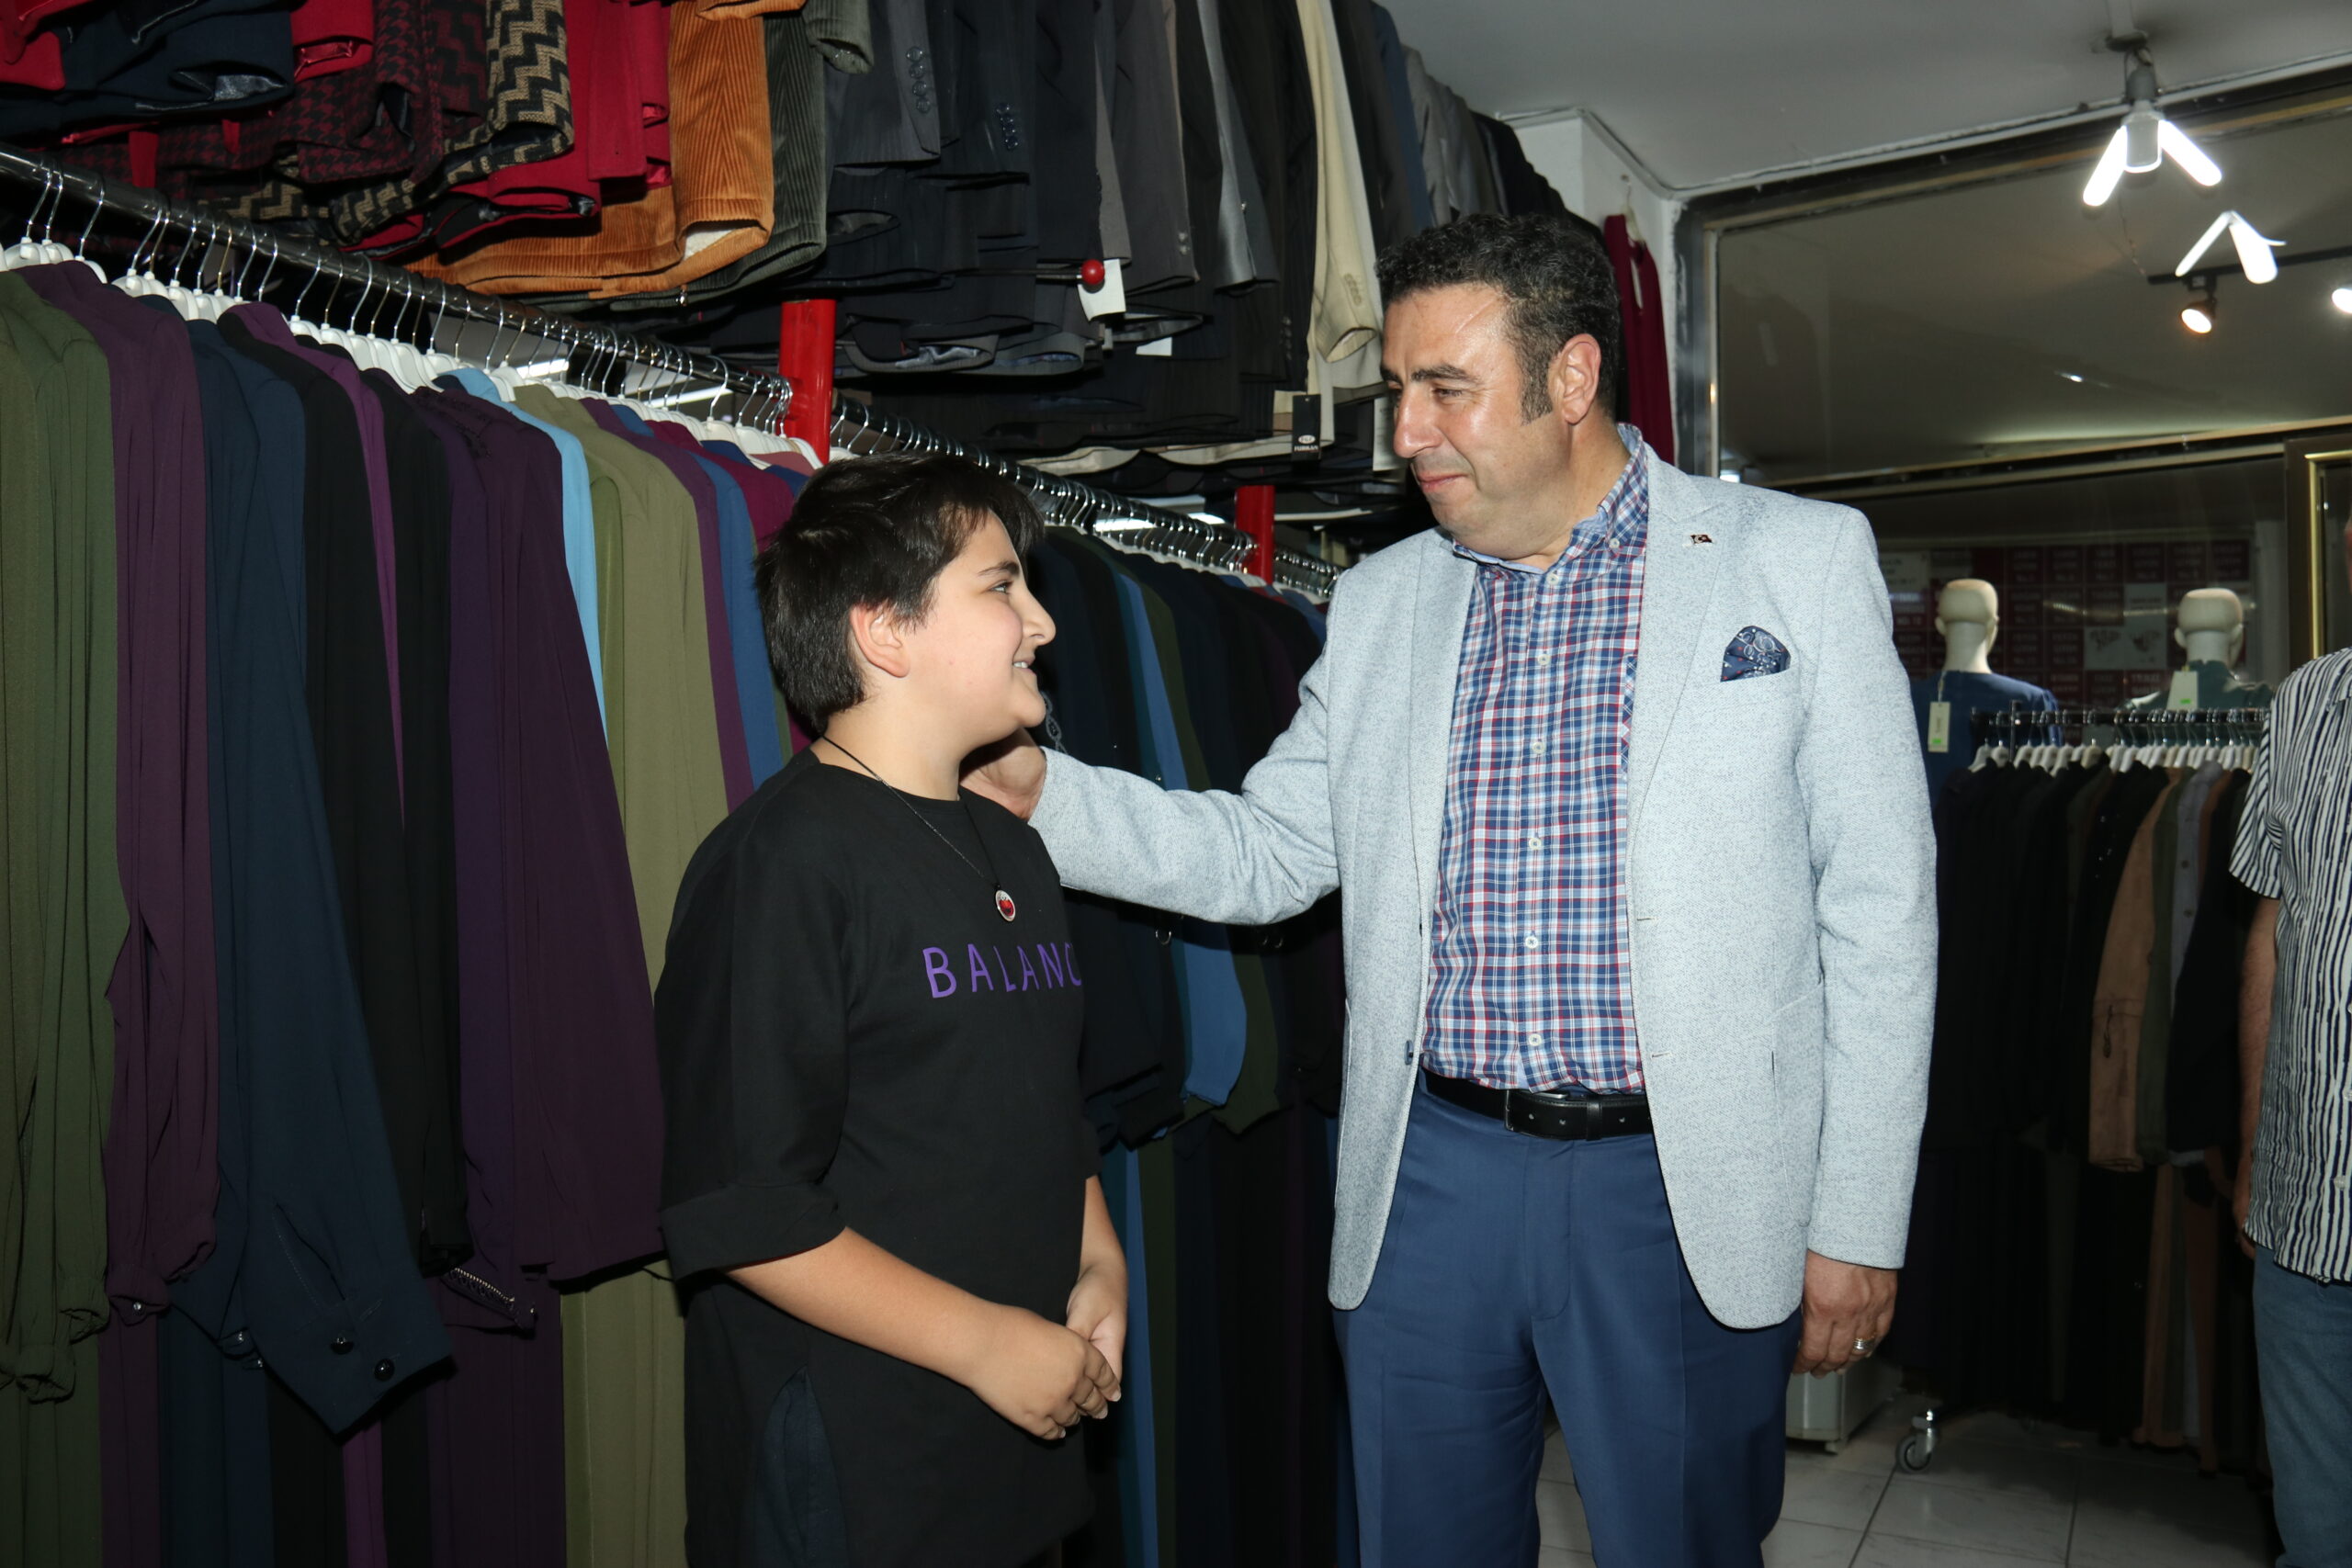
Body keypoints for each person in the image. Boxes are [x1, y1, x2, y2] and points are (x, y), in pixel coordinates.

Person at [967, 212, 1936, 1566]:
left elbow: (1880, 910)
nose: (1405, 433)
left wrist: (1855, 1219)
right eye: (1397, 390)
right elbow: (1272, 850)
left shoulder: (1796, 560)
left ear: (1572, 378)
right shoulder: (1382, 603)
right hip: (1429, 1175)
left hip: (1681, 1186)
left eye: (1445, 389)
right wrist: (1044, 797)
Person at [655, 455, 1126, 1568]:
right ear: (885, 632)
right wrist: (986, 1345)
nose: (1043, 624)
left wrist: (1100, 1267)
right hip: (862, 1459)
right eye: (1000, 586)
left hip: (1011, 1446)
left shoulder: (1012, 846)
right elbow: (743, 1209)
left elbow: (1041, 1104)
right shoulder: (781, 865)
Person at [2231, 550, 2352, 1568]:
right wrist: (2250, 1154)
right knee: (2315, 1540)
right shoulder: (2306, 701)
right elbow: (2270, 930)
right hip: (2302, 1217)